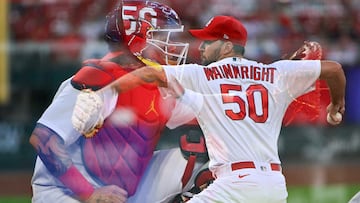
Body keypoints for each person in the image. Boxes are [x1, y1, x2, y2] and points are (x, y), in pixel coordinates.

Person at [74, 15, 346, 202]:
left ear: (227, 45)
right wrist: (336, 106)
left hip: (233, 185)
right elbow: (334, 69)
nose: (201, 46)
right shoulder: (276, 72)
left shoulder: (200, 75)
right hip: (274, 186)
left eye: (208, 41)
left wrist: (106, 93)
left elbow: (148, 75)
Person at [29, 1, 208, 203]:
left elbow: (205, 115)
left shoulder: (155, 84)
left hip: (120, 191)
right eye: (161, 35)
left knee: (209, 157)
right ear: (137, 39)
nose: (171, 43)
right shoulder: (96, 78)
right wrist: (89, 194)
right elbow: (44, 139)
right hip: (65, 193)